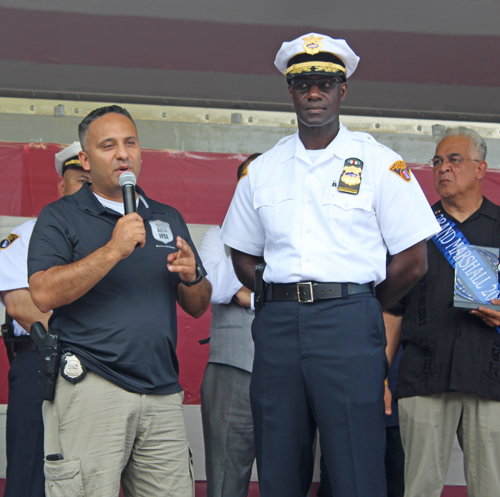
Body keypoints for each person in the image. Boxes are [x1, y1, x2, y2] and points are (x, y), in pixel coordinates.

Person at [220, 33, 440, 497]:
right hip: (278, 325)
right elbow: (240, 249)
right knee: (279, 464)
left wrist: (360, 302)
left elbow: (414, 261)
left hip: (349, 323)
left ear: (343, 90)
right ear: (290, 92)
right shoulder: (264, 169)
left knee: (356, 468)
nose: (313, 93)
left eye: (324, 83)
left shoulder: (381, 164)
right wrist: (269, 289)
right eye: (303, 85)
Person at [27, 105, 211, 497]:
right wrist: (113, 250)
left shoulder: (167, 217)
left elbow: (197, 305)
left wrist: (194, 275)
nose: (122, 154)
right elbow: (42, 293)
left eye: (130, 143)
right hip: (93, 386)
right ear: (85, 160)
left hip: (161, 391)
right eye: (108, 145)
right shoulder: (60, 217)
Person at [384, 126, 500, 497]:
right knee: (419, 488)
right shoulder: (415, 231)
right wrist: (379, 375)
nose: (443, 169)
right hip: (424, 377)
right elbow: (392, 311)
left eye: (454, 160)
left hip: (491, 376)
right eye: (437, 162)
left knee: (491, 487)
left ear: (481, 169)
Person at [0, 142, 91, 497]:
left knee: (88, 468)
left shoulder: (108, 241)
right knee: (30, 468)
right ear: (61, 186)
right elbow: (21, 306)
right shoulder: (23, 236)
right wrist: (88, 333)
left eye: (92, 182)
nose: (86, 188)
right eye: (79, 180)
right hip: (41, 362)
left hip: (98, 365)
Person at [199, 154, 260, 497]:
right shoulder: (216, 236)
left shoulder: (298, 241)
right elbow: (217, 289)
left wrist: (247, 294)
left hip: (289, 373)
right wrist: (269, 298)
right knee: (224, 483)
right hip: (230, 372)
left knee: (287, 480)